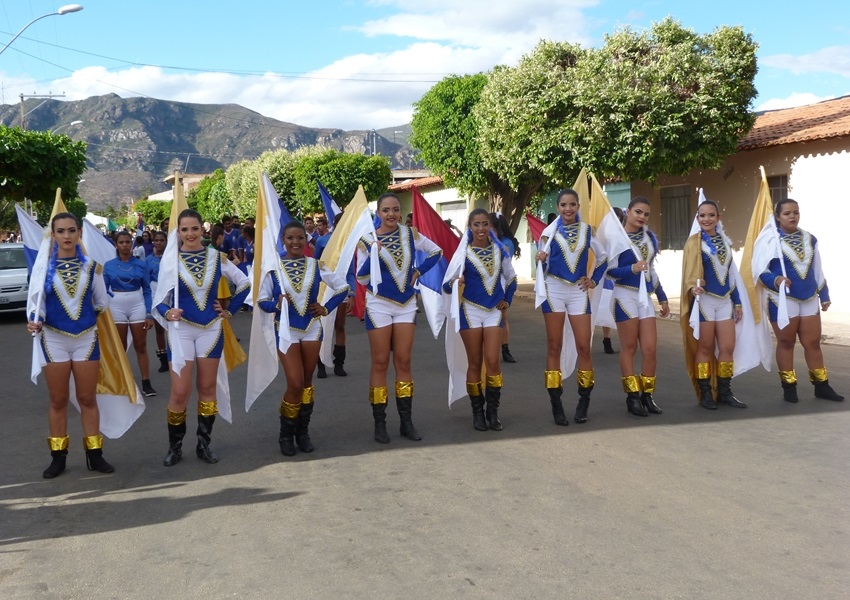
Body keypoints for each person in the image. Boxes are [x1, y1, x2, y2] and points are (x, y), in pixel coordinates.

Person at [155, 209, 250, 466]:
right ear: (178, 232)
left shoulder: (217, 258)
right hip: (181, 330)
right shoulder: (170, 261)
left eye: (194, 228)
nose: (190, 234)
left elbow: (245, 283)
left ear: (202, 230)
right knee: (180, 391)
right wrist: (168, 311)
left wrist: (229, 309)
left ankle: (203, 444)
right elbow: (158, 301)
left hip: (211, 328)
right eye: (184, 229)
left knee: (207, 388)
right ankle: (175, 447)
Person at [27, 212, 115, 478]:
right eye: (61, 231)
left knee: (87, 398)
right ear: (53, 236)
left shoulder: (92, 267)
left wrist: (83, 320)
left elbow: (101, 303)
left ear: (79, 233)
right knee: (58, 399)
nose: (67, 236)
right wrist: (36, 321)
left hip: (86, 339)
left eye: (71, 230)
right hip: (53, 339)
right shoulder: (42, 269)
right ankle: (58, 457)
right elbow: (36, 306)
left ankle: (95, 454)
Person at [356, 193, 442, 443]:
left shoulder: (410, 234)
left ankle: (406, 421)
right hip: (379, 304)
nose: (391, 214)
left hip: (406, 304)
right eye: (386, 210)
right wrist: (373, 253)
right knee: (380, 362)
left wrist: (419, 271)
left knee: (404, 362)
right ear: (378, 213)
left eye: (395, 209)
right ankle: (380, 423)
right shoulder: (367, 240)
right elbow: (361, 279)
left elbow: (436, 252)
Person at [257, 221, 349, 456]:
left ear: (306, 240)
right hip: (286, 331)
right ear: (283, 240)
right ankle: (285, 435)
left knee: (307, 382)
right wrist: (275, 304)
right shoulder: (273, 267)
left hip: (311, 328)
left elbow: (342, 287)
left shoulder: (316, 265)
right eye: (290, 238)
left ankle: (302, 432)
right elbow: (261, 301)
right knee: (295, 383)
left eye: (300, 238)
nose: (295, 242)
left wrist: (326, 308)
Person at [756, 198, 843, 402]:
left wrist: (824, 294)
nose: (792, 216)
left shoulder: (810, 238)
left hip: (809, 296)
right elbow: (759, 270)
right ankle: (789, 387)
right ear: (777, 217)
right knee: (786, 342)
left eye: (795, 212)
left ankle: (821, 385)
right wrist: (776, 279)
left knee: (812, 342)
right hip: (782, 299)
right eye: (787, 213)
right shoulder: (770, 240)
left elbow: (816, 268)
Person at [535, 189, 607, 425]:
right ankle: (556, 404)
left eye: (572, 205)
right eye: (564, 205)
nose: (568, 209)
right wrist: (540, 259)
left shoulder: (587, 231)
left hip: (578, 291)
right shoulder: (548, 233)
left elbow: (603, 258)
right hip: (553, 290)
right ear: (558, 207)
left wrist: (593, 279)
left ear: (578, 207)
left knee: (584, 347)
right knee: (554, 346)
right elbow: (541, 260)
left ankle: (583, 401)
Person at [446, 209, 517, 431]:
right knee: (475, 362)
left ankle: (493, 413)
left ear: (491, 227)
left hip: (494, 311)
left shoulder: (500, 250)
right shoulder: (463, 253)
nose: (481, 228)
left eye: (485, 224)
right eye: (476, 224)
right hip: (470, 311)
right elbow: (446, 285)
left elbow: (511, 277)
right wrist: (456, 281)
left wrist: (508, 299)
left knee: (493, 361)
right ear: (470, 227)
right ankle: (477, 412)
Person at [681, 199, 748, 410]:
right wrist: (693, 287)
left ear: (718, 218)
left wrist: (737, 301)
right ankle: (706, 393)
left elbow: (731, 275)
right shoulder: (693, 243)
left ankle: (725, 392)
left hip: (725, 301)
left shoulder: (726, 242)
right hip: (705, 301)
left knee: (728, 347)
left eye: (711, 215)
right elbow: (689, 274)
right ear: (697, 218)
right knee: (705, 347)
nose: (706, 219)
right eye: (702, 215)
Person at [606, 196, 669, 417]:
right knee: (629, 348)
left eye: (646, 214)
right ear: (629, 211)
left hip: (645, 299)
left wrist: (662, 297)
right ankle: (632, 397)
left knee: (650, 349)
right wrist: (631, 268)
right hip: (624, 296)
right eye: (638, 212)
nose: (642, 217)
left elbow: (651, 270)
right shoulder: (616, 238)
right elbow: (610, 271)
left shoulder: (650, 238)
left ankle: (647, 395)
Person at [103, 231, 157, 397]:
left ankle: (146, 382)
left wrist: (149, 314)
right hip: (116, 304)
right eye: (122, 242)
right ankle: (122, 381)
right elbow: (103, 290)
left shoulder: (141, 264)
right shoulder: (109, 265)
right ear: (116, 244)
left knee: (140, 346)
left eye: (128, 242)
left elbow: (147, 289)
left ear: (132, 244)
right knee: (120, 347)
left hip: (137, 303)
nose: (125, 245)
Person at [315, 212, 355, 377]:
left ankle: (339, 363)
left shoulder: (349, 244)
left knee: (339, 325)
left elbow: (351, 272)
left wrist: (351, 293)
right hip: (324, 289)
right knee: (322, 327)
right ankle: (321, 364)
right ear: (335, 224)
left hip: (341, 289)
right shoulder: (322, 241)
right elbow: (314, 266)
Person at [489, 212, 521, 364]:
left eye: (489, 227)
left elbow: (503, 268)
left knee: (503, 318)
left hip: (500, 283)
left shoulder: (506, 243)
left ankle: (505, 349)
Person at [600, 208, 625, 355]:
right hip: (604, 276)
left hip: (620, 275)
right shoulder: (603, 235)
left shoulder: (624, 234)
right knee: (603, 308)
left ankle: (619, 340)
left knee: (618, 310)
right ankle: (606, 339)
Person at [146, 230, 169, 373]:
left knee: (173, 327)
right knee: (159, 328)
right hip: (155, 292)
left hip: (169, 292)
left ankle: (177, 356)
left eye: (161, 240)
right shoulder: (148, 260)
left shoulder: (172, 257)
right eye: (156, 240)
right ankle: (164, 359)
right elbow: (146, 280)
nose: (159, 243)